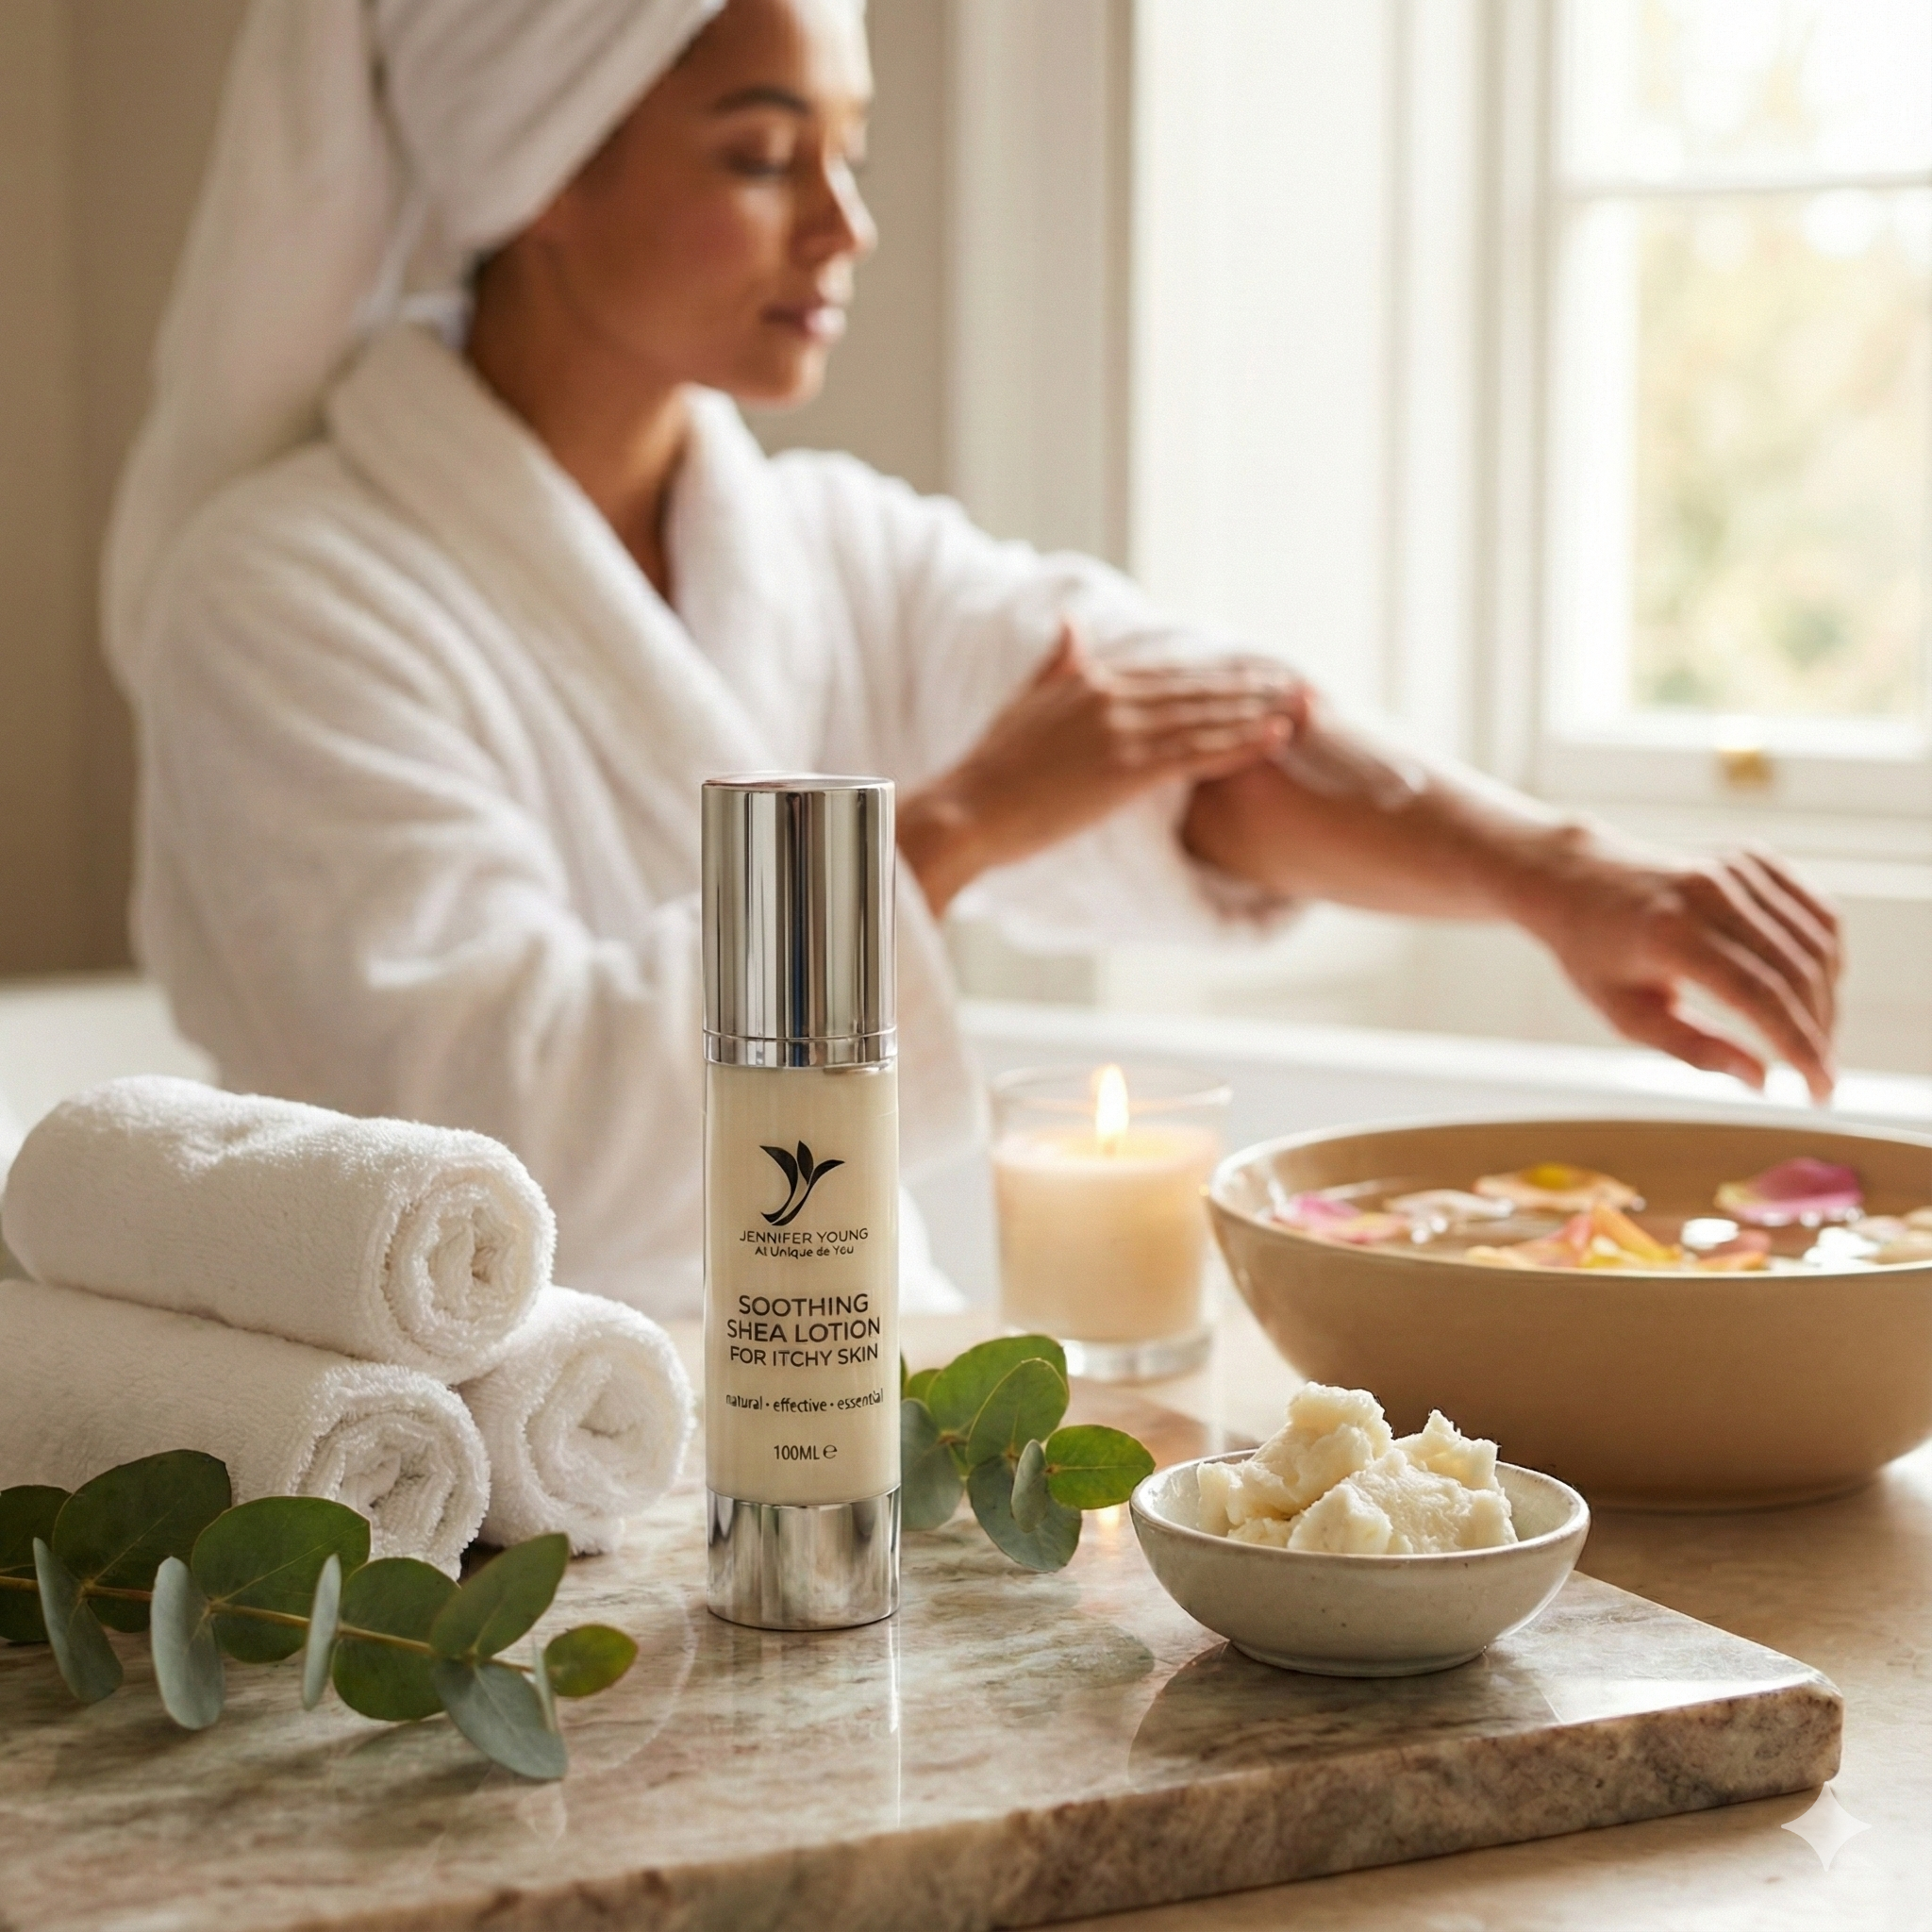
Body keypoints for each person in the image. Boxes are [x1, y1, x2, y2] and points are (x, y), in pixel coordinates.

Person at [106, 0, 1840, 1318]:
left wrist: (1557, 874)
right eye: (762, 153)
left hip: (838, 1402)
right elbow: (495, 1141)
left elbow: (1196, 729)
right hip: (445, 1455)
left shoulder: (823, 545)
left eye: (849, 153)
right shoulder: (282, 592)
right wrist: (950, 834)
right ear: (536, 174)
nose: (844, 228)